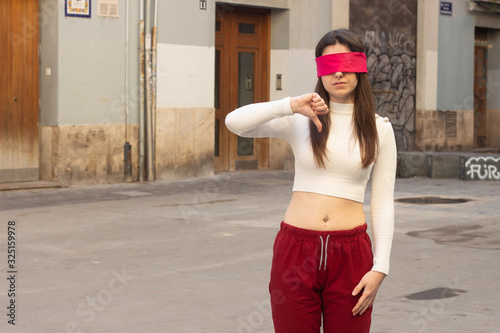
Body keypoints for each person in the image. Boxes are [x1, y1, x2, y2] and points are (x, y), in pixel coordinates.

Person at [225, 29, 396, 333]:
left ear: (360, 67)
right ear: (319, 70)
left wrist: (380, 267)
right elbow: (234, 122)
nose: (338, 72)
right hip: (295, 251)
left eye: (346, 62)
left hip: (352, 254)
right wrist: (289, 104)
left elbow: (382, 202)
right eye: (329, 64)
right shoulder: (300, 120)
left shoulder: (380, 129)